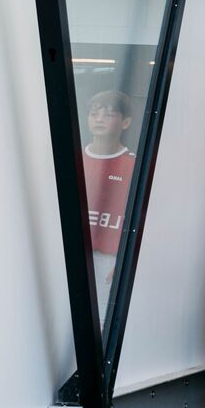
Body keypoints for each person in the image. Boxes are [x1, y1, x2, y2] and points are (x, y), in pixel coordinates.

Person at [83, 89, 136, 319]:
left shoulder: (134, 166)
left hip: (109, 264)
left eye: (108, 114)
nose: (99, 119)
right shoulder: (72, 160)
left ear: (125, 122)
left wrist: (125, 259)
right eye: (95, 113)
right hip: (68, 257)